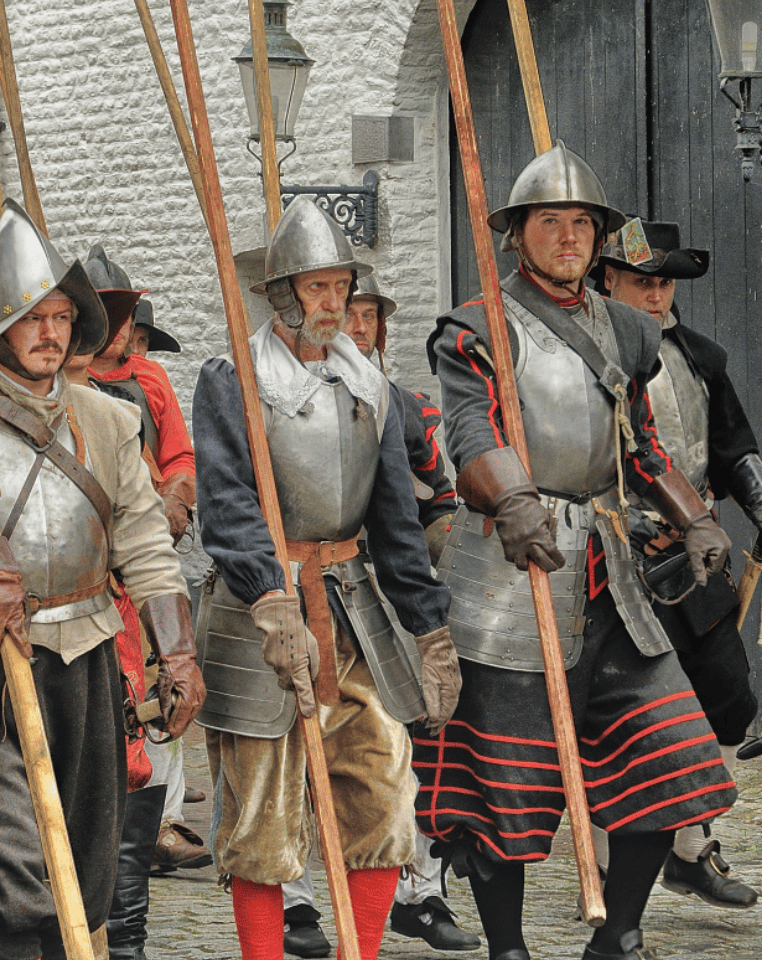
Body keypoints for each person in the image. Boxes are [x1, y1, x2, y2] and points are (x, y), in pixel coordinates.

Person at [418, 143, 738, 960]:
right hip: (509, 573)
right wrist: (512, 497)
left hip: (608, 572)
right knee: (504, 783)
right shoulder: (477, 327)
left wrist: (696, 518)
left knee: (667, 758)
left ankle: (618, 936)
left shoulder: (628, 328)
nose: (568, 237)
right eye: (549, 221)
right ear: (517, 233)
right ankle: (508, 949)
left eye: (581, 224)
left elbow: (641, 445)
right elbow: (469, 429)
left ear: (599, 237)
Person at [0, 199, 204, 960]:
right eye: (33, 317)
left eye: (63, 317)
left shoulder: (108, 420)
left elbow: (143, 539)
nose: (51, 332)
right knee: (12, 863)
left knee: (79, 864)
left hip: (83, 657)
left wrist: (177, 653)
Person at [193, 196, 460, 960]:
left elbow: (396, 521)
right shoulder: (233, 379)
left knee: (382, 791)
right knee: (262, 815)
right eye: (317, 287)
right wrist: (270, 600)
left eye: (341, 286)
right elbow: (228, 502)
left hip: (352, 609)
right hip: (260, 614)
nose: (333, 302)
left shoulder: (372, 387)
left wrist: (429, 628)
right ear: (281, 293)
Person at [592, 219, 762, 909]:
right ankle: (608, 870)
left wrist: (761, 501)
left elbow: (733, 445)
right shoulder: (579, 359)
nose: (655, 296)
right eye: (640, 282)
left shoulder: (700, 357)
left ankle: (688, 849)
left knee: (727, 699)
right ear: (607, 281)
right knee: (625, 721)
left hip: (694, 561)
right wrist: (632, 521)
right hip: (609, 563)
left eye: (664, 284)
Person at [281, 272, 475, 957]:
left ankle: (420, 891)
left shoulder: (403, 405)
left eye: (368, 316)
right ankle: (296, 897)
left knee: (395, 760)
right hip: (294, 590)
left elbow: (434, 499)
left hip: (379, 596)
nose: (356, 326)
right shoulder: (272, 388)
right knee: (289, 757)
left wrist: (436, 588)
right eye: (349, 312)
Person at [81, 249, 205, 873]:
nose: (117, 326)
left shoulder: (150, 379)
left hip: (144, 554)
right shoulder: (63, 383)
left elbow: (179, 455)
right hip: (83, 567)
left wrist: (176, 500)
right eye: (104, 312)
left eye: (123, 313)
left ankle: (160, 819)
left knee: (160, 688)